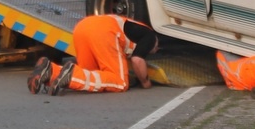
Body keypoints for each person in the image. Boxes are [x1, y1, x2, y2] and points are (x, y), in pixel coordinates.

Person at [27, 14, 158, 95]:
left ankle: (51, 71)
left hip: (82, 27)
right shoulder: (150, 36)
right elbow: (137, 60)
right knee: (120, 82)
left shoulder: (133, 26)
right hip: (104, 32)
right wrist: (145, 82)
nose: (154, 51)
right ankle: (73, 74)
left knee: (90, 75)